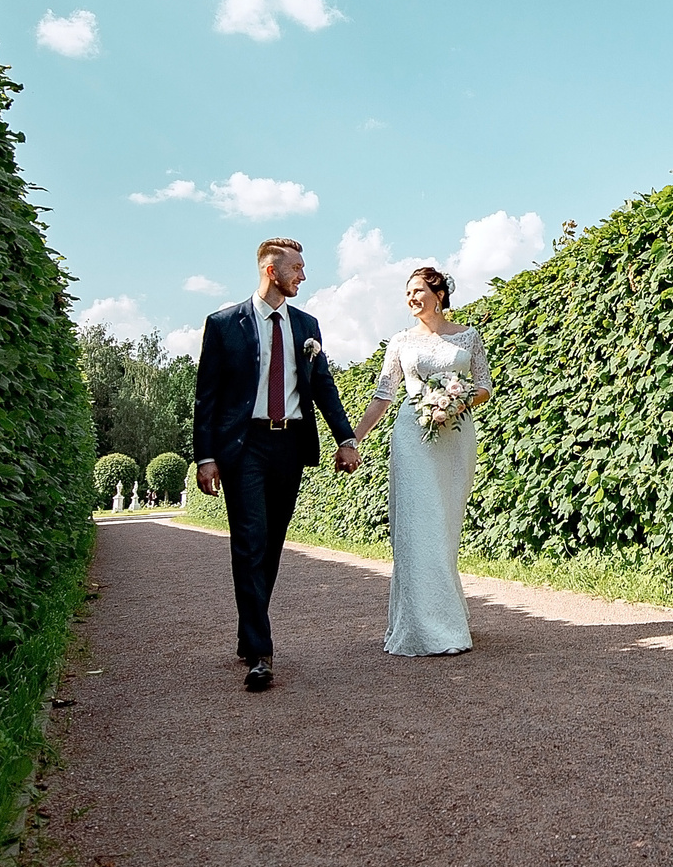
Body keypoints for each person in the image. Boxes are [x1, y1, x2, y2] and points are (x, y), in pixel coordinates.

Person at [193, 238, 360, 692]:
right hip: (243, 446)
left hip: (290, 447)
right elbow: (206, 396)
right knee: (249, 541)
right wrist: (205, 456)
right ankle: (260, 652)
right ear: (272, 271)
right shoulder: (223, 324)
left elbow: (323, 386)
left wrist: (345, 438)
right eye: (297, 268)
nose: (303, 276)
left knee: (270, 545)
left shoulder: (307, 326)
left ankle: (250, 634)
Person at [349, 265, 492, 656]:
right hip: (413, 435)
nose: (411, 298)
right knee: (417, 528)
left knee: (444, 529)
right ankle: (421, 627)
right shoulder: (400, 341)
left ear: (439, 294)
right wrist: (353, 438)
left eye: (417, 291)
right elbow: (383, 395)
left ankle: (448, 617)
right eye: (407, 293)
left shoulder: (469, 336)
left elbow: (485, 387)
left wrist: (455, 400)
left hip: (455, 436)